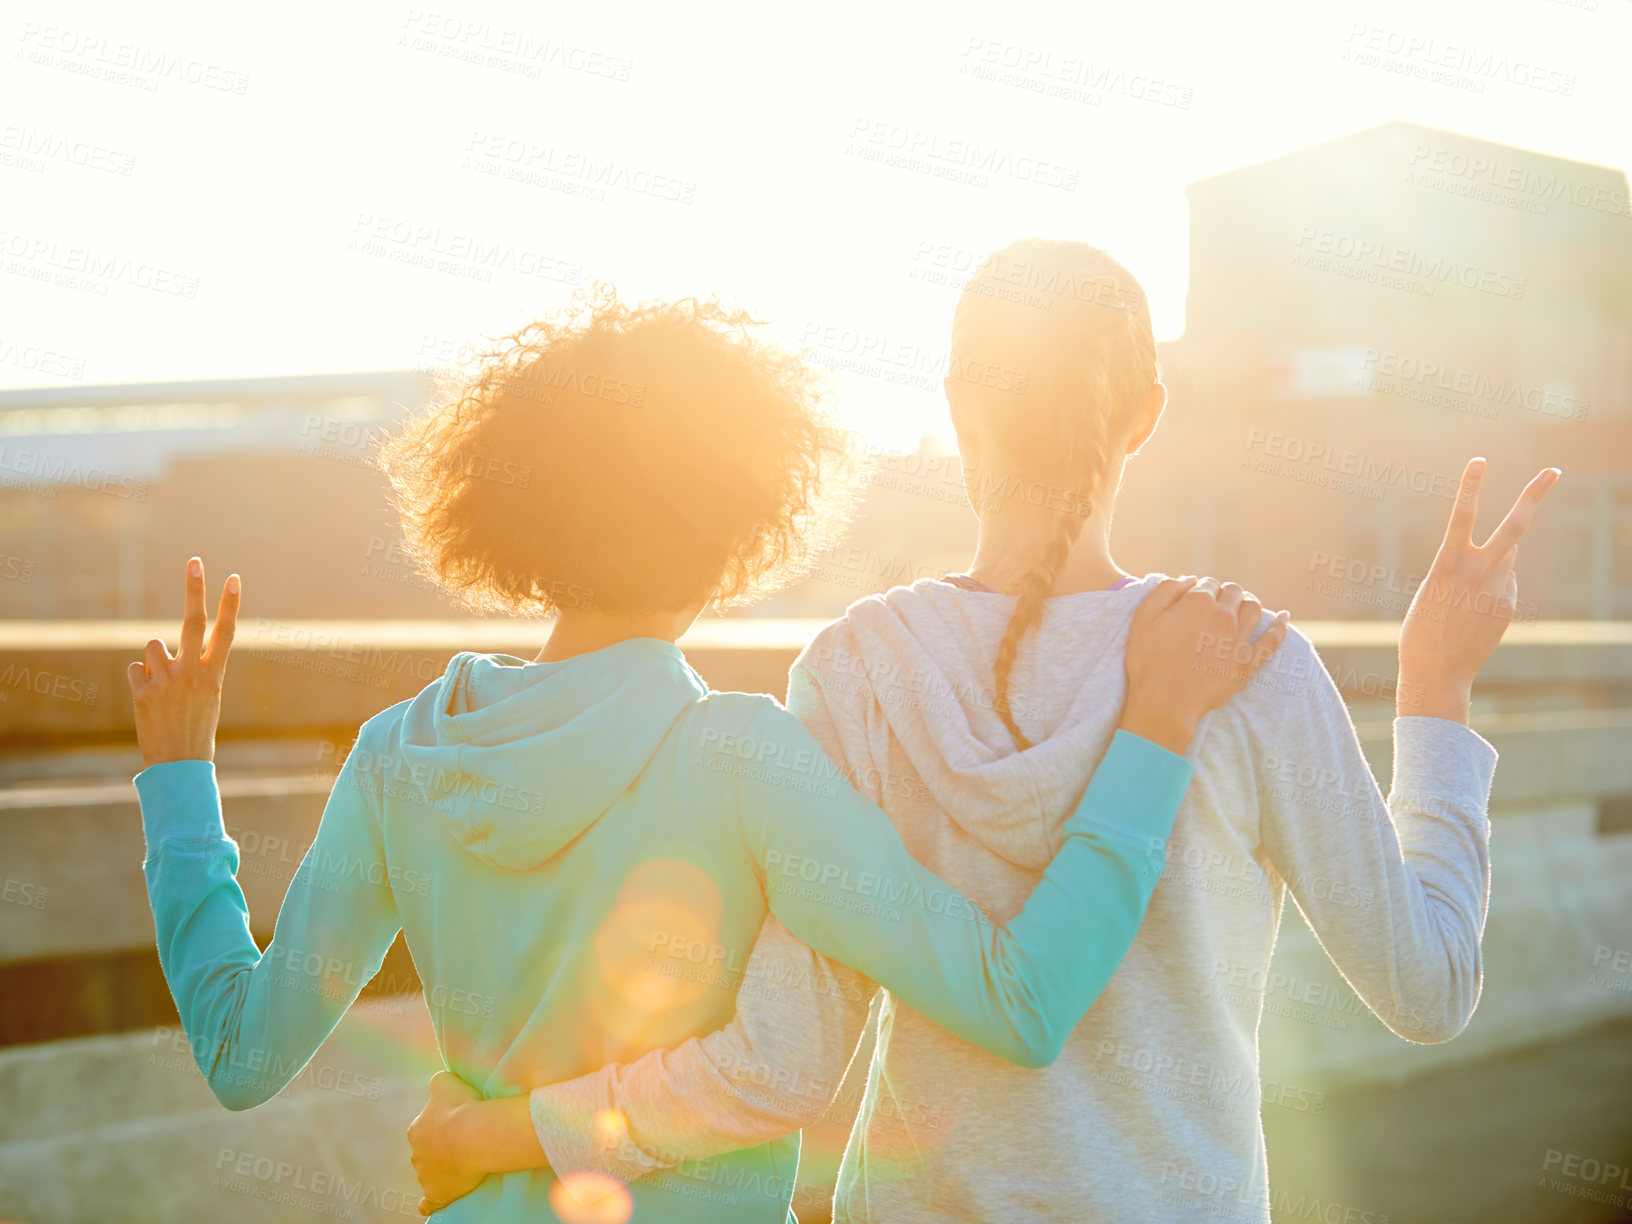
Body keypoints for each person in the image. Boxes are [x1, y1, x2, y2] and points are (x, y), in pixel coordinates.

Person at [407, 246, 1559, 1224]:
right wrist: (1434, 689)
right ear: (1146, 413)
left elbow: (779, 1067)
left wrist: (507, 1133)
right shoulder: (1243, 660)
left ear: (959, 401)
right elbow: (1429, 986)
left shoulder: (855, 670)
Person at [126, 288, 1287, 1224]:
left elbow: (240, 1051)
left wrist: (182, 784)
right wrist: (1151, 733)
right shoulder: (741, 757)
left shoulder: (398, 757)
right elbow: (1018, 1002)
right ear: (743, 525)